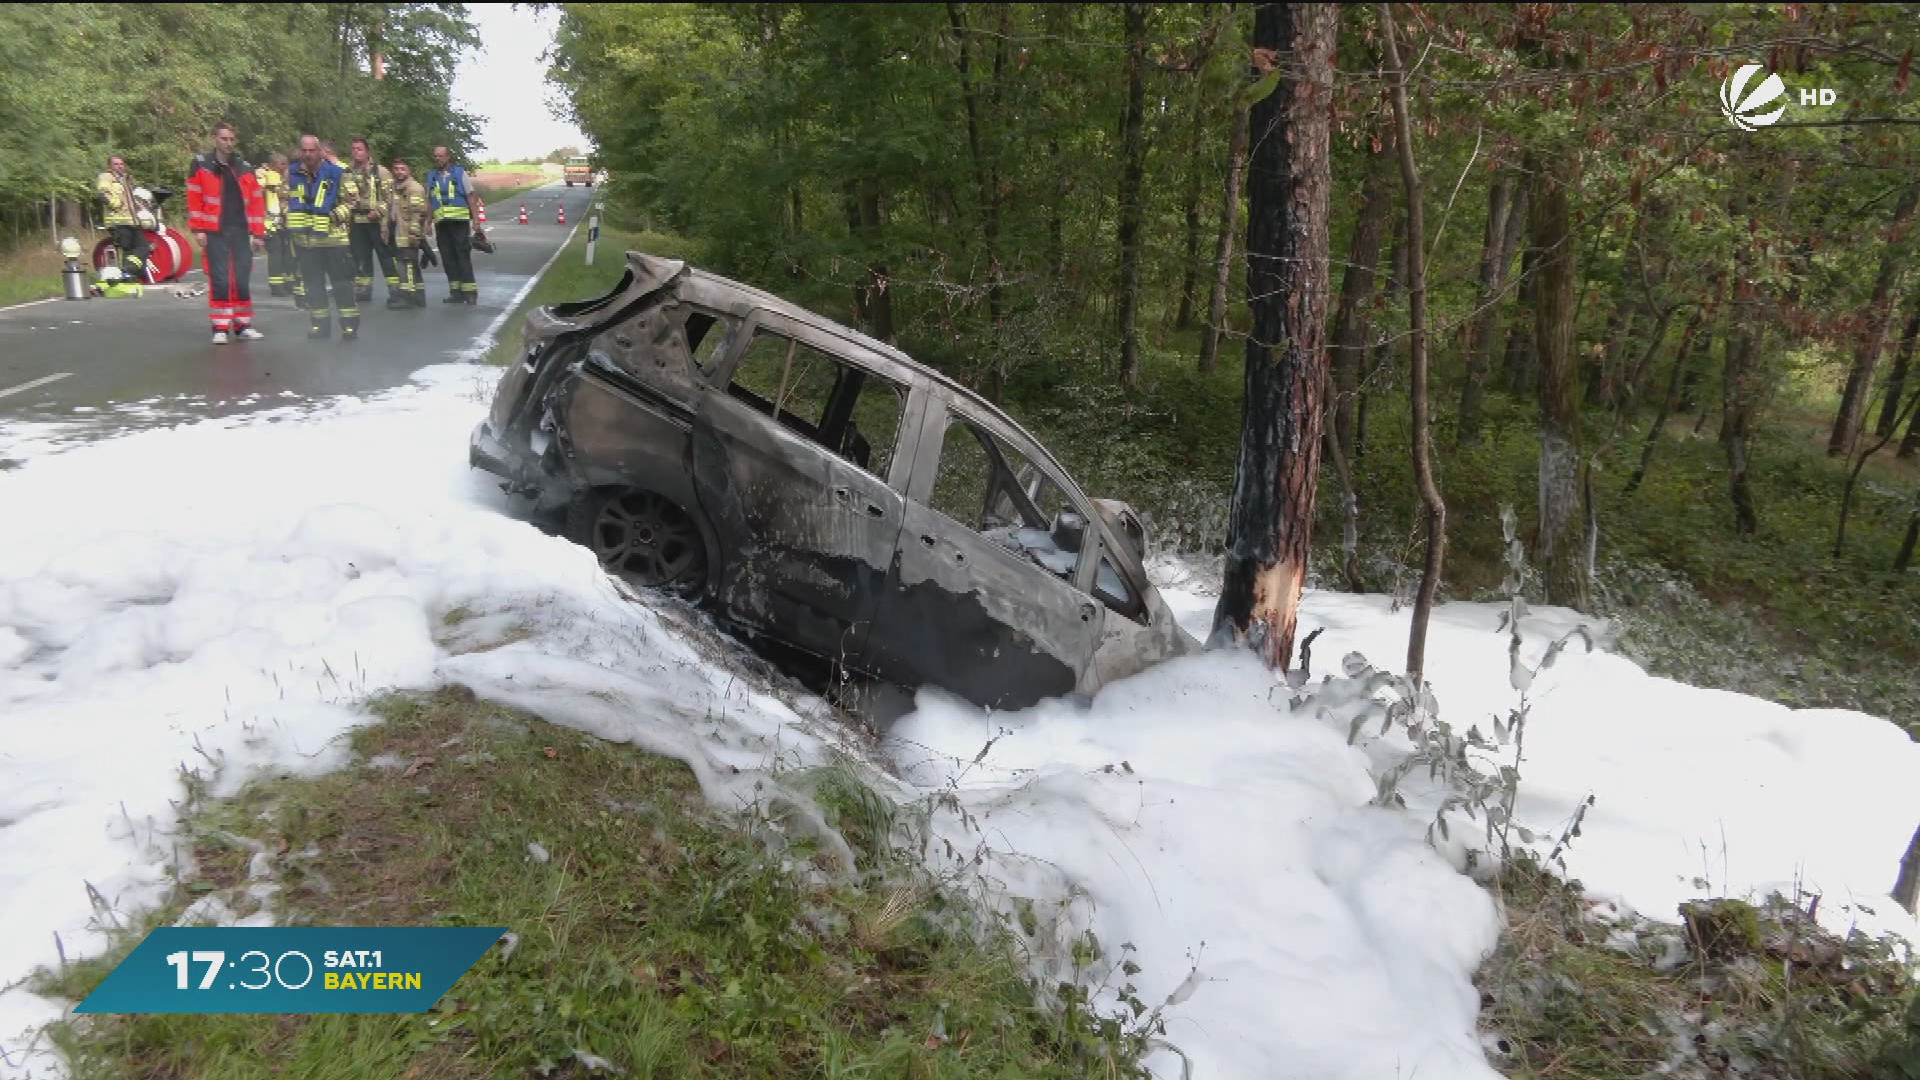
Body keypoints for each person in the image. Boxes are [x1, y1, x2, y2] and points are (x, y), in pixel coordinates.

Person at [185, 122, 267, 344]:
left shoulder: (244, 167)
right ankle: (220, 327)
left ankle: (243, 325)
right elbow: (194, 199)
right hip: (214, 231)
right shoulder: (201, 164)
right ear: (215, 139)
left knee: (241, 279)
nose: (229, 143)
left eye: (232, 139)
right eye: (224, 139)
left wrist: (259, 233)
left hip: (241, 230)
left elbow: (257, 202)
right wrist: (198, 229)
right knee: (220, 278)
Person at [287, 133, 359, 341]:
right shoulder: (292, 173)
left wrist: (335, 216)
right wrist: (287, 215)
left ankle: (349, 326)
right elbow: (284, 199)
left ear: (320, 151)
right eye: (304, 151)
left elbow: (353, 201)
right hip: (305, 242)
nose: (308, 155)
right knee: (313, 286)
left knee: (342, 285)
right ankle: (319, 325)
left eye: (312, 150)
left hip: (334, 241)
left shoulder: (338, 172)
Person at [343, 137, 397, 303]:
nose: (356, 152)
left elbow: (389, 198)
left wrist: (379, 212)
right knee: (360, 258)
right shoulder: (347, 173)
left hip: (378, 222)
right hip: (357, 222)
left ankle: (395, 291)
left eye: (359, 149)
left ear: (367, 152)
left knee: (386, 258)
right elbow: (343, 196)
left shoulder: (380, 172)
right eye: (353, 149)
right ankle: (363, 291)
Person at [426, 145, 479, 304]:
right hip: (441, 224)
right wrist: (427, 223)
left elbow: (471, 197)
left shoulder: (459, 173)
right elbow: (429, 201)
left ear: (448, 157)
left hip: (459, 223)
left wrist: (476, 220)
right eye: (435, 156)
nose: (438, 159)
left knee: (462, 255)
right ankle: (455, 292)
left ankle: (470, 292)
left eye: (441, 156)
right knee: (447, 257)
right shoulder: (431, 176)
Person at [384, 157, 433, 308]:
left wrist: (414, 234)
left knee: (407, 266)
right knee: (405, 265)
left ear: (408, 170)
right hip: (396, 232)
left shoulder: (414, 188)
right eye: (396, 169)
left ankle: (409, 297)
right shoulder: (394, 187)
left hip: (407, 234)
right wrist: (384, 229)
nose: (399, 172)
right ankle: (418, 297)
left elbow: (418, 214)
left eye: (402, 169)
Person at [95, 154, 151, 283]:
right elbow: (102, 194)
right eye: (116, 164)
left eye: (121, 164)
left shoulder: (125, 179)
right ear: (109, 166)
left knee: (143, 247)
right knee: (128, 249)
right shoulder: (106, 177)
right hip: (118, 221)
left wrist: (138, 206)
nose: (119, 166)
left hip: (132, 220)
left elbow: (129, 199)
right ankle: (127, 275)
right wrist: (116, 204)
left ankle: (128, 271)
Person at [257, 153, 294, 297]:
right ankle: (276, 286)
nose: (285, 167)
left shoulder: (276, 176)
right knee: (276, 255)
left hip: (280, 222)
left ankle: (285, 283)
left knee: (285, 253)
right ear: (273, 164)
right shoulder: (267, 175)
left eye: (286, 163)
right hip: (269, 224)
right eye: (282, 164)